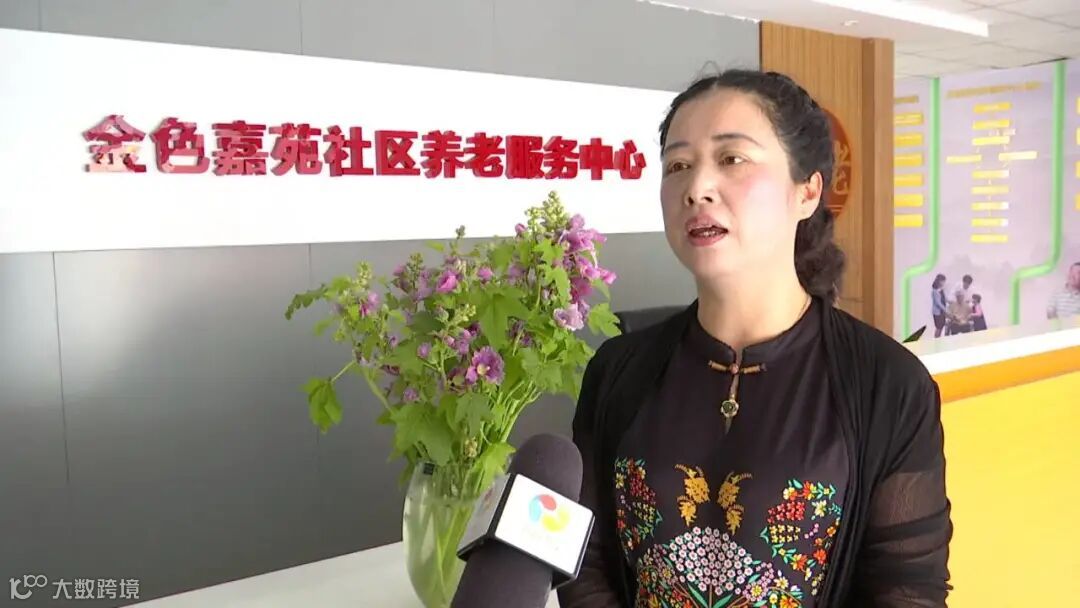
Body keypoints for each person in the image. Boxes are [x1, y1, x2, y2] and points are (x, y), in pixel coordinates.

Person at [558, 70, 951, 608]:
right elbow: (584, 559)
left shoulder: (888, 386)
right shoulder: (618, 370)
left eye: (732, 158)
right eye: (678, 165)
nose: (697, 187)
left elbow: (907, 591)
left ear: (807, 191)